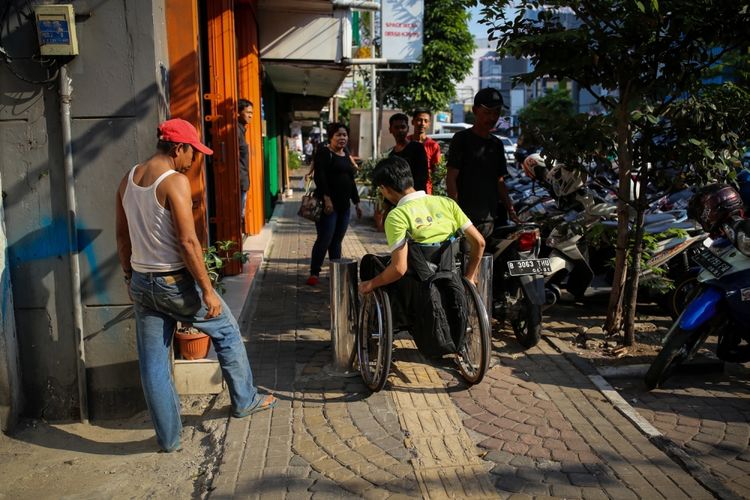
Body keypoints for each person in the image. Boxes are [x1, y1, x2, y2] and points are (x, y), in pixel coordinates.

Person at [115, 118, 276, 453]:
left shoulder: (128, 179)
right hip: (175, 282)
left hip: (143, 282)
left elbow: (121, 235)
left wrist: (130, 278)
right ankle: (245, 400)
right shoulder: (174, 181)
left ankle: (169, 439)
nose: (194, 160)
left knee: (154, 363)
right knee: (228, 331)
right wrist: (207, 289)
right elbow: (188, 242)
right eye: (192, 152)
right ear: (178, 148)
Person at [358, 156, 485, 356]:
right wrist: (469, 277)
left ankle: (377, 332)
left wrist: (371, 284)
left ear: (385, 189)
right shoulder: (447, 203)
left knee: (371, 264)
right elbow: (479, 242)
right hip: (450, 277)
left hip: (416, 287)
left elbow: (399, 269)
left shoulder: (397, 216)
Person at [446, 87, 520, 239]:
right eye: (487, 112)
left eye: (496, 113)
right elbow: (451, 177)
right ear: (474, 110)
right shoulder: (461, 139)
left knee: (490, 260)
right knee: (469, 260)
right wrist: (456, 212)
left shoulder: (497, 144)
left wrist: (510, 209)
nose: (492, 117)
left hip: (491, 218)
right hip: (466, 218)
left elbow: (499, 181)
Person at [306, 122, 363, 286]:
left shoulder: (345, 154)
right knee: (325, 238)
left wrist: (357, 203)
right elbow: (320, 177)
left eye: (344, 135)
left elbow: (350, 180)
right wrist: (327, 198)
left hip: (344, 206)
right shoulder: (324, 153)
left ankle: (335, 272)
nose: (342, 138)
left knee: (337, 240)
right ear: (331, 137)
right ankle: (314, 272)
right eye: (338, 135)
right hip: (327, 206)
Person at [388, 113, 429, 192]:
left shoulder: (417, 148)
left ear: (408, 129)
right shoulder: (391, 155)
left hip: (416, 197)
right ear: (390, 130)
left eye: (403, 127)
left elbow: (422, 177)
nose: (400, 130)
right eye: (396, 127)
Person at [407, 108, 441, 194]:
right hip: (406, 188)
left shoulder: (433, 145)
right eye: (419, 120)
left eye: (426, 121)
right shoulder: (406, 142)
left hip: (426, 191)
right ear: (412, 122)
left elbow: (436, 170)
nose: (422, 123)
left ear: (429, 124)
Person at [237, 98, 253, 225]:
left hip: (243, 181)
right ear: (238, 112)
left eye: (252, 113)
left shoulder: (241, 130)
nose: (250, 116)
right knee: (238, 217)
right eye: (248, 112)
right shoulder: (236, 131)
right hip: (239, 181)